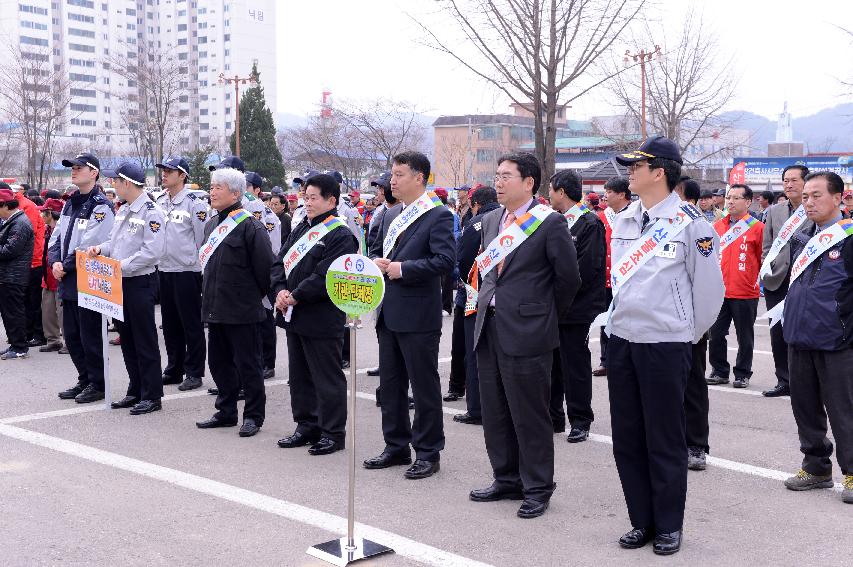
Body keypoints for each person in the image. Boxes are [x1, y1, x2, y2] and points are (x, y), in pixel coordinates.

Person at [607, 136, 724, 555]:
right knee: (628, 437)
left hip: (666, 345)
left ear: (660, 172)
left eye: (637, 167)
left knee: (664, 438)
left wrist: (681, 335)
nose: (629, 173)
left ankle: (669, 525)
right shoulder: (624, 219)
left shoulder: (694, 225)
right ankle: (642, 520)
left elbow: (710, 295)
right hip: (622, 341)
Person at [468, 152, 579, 519]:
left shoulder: (549, 223)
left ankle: (537, 486)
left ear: (529, 182)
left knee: (530, 413)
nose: (498, 182)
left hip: (529, 331)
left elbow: (568, 280)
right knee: (495, 409)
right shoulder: (490, 220)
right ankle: (506, 477)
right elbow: (488, 271)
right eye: (496, 175)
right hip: (490, 325)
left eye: (506, 176)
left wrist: (543, 317)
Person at [363, 151, 455, 480]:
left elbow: (445, 261)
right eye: (392, 174)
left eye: (399, 174)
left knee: (423, 385)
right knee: (391, 384)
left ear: (420, 178)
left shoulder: (438, 215)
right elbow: (376, 251)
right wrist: (375, 262)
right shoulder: (389, 216)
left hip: (418, 315)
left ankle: (428, 451)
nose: (392, 180)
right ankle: (396, 445)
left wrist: (403, 268)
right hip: (389, 312)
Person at [272, 173, 359, 455]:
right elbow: (279, 262)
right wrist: (280, 290)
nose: (306, 202)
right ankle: (306, 425)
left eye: (313, 198)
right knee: (299, 375)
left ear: (331, 200)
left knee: (326, 376)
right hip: (293, 314)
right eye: (304, 197)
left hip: (321, 316)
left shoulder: (341, 234)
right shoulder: (301, 228)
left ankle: (333, 432)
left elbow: (327, 275)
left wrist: (295, 295)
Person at [779, 171, 853, 505]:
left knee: (844, 410)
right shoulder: (801, 236)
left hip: (838, 340)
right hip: (798, 336)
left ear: (838, 197)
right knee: (805, 407)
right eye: (805, 196)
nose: (808, 202)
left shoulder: (849, 237)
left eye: (816, 195)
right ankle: (816, 467)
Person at [195, 167, 274, 437]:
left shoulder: (251, 226)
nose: (212, 192)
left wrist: (249, 297)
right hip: (215, 308)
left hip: (242, 310)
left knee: (248, 365)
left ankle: (253, 415)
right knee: (218, 363)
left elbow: (265, 271)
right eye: (212, 186)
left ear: (236, 193)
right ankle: (226, 410)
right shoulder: (210, 224)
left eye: (219, 187)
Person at [87, 162, 165, 415]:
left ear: (127, 183)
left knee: (144, 339)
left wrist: (120, 266)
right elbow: (115, 241)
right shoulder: (123, 210)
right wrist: (101, 249)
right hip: (120, 281)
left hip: (140, 281)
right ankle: (136, 389)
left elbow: (152, 253)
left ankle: (152, 395)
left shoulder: (150, 212)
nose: (113, 186)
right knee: (128, 339)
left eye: (116, 182)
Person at [50, 153, 115, 403]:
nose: (74, 171)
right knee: (73, 335)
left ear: (94, 173)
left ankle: (98, 382)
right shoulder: (70, 203)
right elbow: (56, 236)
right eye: (72, 168)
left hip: (87, 278)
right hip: (67, 277)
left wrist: (64, 265)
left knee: (90, 335)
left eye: (79, 168)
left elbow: (90, 243)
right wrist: (54, 260)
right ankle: (85, 378)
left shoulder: (100, 205)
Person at [547, 169, 605, 442]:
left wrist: (555, 288)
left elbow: (587, 268)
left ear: (561, 191)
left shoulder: (589, 223)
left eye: (550, 190)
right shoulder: (552, 221)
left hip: (576, 308)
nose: (548, 195)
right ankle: (554, 416)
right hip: (552, 307)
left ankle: (580, 419)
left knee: (575, 366)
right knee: (552, 364)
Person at [154, 157, 208, 392]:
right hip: (164, 269)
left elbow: (201, 239)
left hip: (187, 271)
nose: (164, 175)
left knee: (191, 324)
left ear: (182, 175)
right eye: (163, 171)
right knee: (170, 323)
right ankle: (174, 368)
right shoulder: (159, 200)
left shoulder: (194, 203)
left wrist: (194, 262)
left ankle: (194, 371)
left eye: (169, 171)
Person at [760, 165, 812, 397]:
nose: (788, 184)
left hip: (805, 281)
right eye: (785, 181)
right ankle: (783, 380)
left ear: (806, 182)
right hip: (777, 280)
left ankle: (804, 382)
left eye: (793, 180)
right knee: (777, 333)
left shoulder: (813, 208)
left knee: (802, 331)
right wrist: (768, 267)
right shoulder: (774, 211)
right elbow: (767, 246)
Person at [707, 184, 764, 389]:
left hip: (745, 291)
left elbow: (761, 259)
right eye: (729, 197)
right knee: (715, 334)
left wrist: (752, 281)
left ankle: (742, 373)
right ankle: (719, 371)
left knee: (745, 336)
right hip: (720, 291)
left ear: (748, 202)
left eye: (736, 198)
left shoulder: (757, 228)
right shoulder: (717, 226)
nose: (730, 201)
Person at [452, 186, 500, 425]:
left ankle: (476, 408)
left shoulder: (476, 223)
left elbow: (462, 260)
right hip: (501, 297)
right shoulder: (505, 219)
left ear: (475, 204)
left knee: (473, 352)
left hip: (474, 295)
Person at [593, 176, 631, 377]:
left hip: (626, 280)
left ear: (622, 194)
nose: (604, 196)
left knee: (625, 322)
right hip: (605, 279)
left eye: (609, 192)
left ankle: (622, 361)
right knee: (605, 321)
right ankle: (606, 360)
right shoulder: (601, 217)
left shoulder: (636, 216)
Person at [245, 171, 281, 380]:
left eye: (247, 186)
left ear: (257, 190)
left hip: (262, 273)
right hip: (242, 277)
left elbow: (271, 249)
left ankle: (268, 362)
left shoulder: (265, 214)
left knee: (266, 319)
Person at [9, 184, 47, 349]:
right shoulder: (20, 205)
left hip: (33, 259)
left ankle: (38, 334)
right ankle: (27, 332)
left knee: (34, 300)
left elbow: (26, 235)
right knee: (25, 300)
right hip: (26, 260)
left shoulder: (26, 206)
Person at [0, 188, 35, 360]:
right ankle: (15, 344)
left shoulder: (20, 223)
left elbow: (9, 250)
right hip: (7, 275)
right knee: (8, 313)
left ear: (6, 206)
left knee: (14, 312)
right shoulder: (12, 221)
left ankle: (20, 347)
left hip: (14, 276)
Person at [38, 198, 64, 353]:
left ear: (50, 213)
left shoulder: (62, 231)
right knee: (47, 310)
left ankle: (69, 341)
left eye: (44, 211)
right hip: (46, 277)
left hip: (59, 275)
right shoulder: (47, 229)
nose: (41, 214)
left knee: (63, 312)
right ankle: (53, 339)